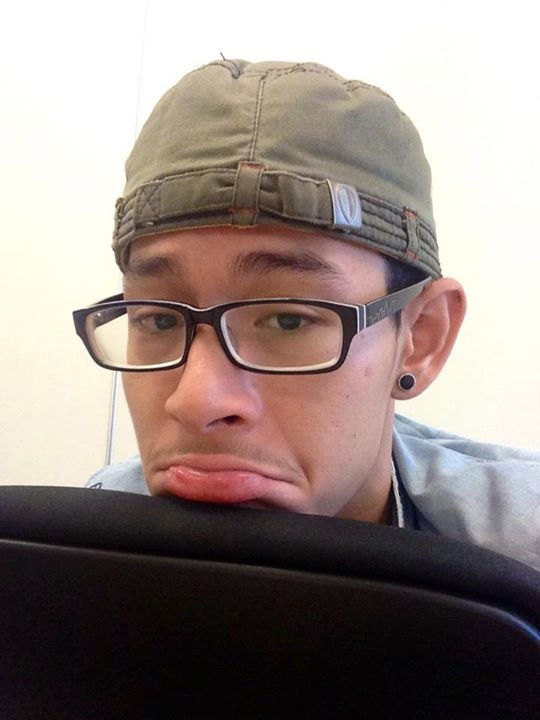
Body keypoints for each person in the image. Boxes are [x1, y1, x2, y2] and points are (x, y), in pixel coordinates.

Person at [73, 59, 539, 571]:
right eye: (159, 319)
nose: (197, 401)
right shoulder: (92, 546)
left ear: (421, 337)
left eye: (287, 320)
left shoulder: (521, 552)